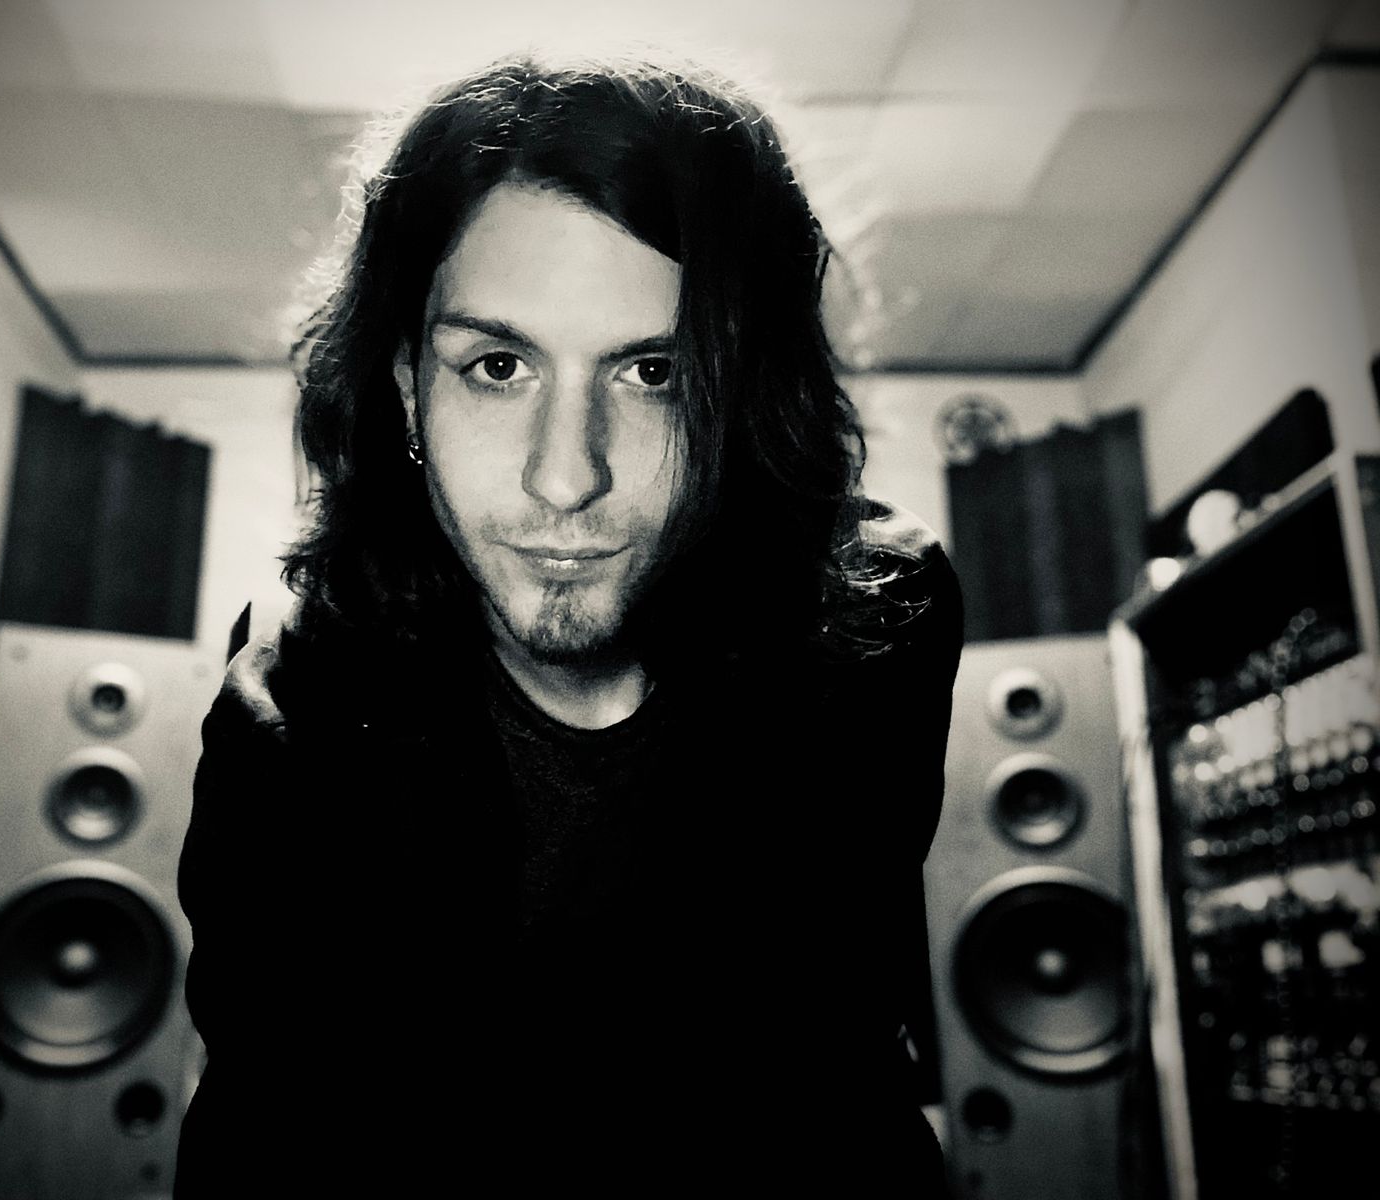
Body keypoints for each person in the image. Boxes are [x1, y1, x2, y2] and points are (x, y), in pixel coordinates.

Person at [175, 51, 961, 1195]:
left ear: (743, 392)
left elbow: (830, 1085)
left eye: (653, 372)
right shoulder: (291, 718)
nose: (565, 478)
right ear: (406, 389)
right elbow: (270, 1137)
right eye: (497, 366)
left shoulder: (876, 628)